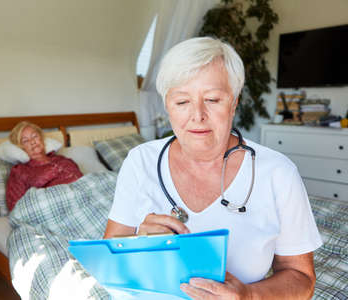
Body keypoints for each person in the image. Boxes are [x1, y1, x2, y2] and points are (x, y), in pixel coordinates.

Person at [104, 37, 322, 299]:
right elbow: (110, 253)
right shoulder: (140, 161)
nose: (197, 115)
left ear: (234, 102)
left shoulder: (278, 172)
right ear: (167, 106)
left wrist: (248, 296)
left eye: (212, 99)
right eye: (182, 102)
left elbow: (302, 279)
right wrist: (139, 244)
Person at [6, 121, 82, 210]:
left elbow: (83, 182)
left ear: (41, 139)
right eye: (25, 141)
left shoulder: (62, 160)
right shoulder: (20, 171)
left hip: (81, 200)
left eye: (35, 136)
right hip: (54, 208)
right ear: (20, 147)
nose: (32, 142)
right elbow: (15, 207)